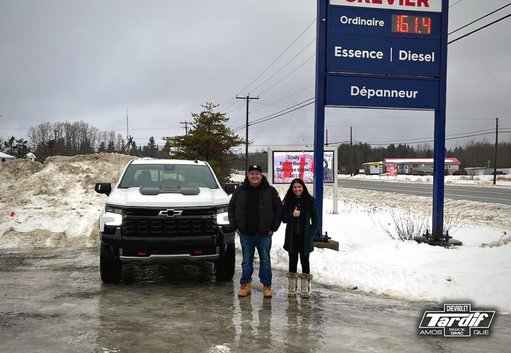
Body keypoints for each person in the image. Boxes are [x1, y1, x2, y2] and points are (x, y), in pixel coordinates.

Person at [228, 164, 282, 298]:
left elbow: (278, 209)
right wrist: (235, 226)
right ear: (248, 175)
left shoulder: (270, 191)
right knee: (246, 260)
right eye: (252, 173)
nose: (254, 176)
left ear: (261, 175)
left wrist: (273, 227)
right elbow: (231, 208)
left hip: (264, 234)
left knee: (265, 260)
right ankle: (245, 285)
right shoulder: (240, 191)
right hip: (246, 234)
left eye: (257, 173)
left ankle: (267, 286)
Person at [281, 178, 318, 298]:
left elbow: (316, 220)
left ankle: (305, 287)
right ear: (292, 189)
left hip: (305, 238)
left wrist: (311, 234)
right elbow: (284, 218)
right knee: (292, 260)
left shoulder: (309, 201)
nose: (297, 189)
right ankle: (292, 286)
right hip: (292, 237)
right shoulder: (288, 201)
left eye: (299, 187)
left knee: (305, 260)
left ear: (303, 187)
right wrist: (292, 215)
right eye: (295, 187)